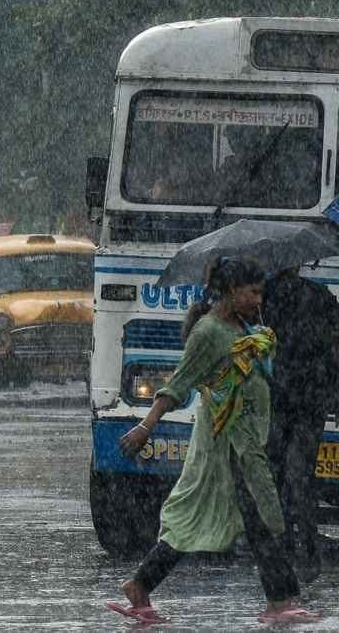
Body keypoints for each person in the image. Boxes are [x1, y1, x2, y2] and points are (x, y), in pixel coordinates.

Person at [107, 257, 320, 625]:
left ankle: (141, 585)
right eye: (253, 292)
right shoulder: (207, 332)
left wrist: (261, 345)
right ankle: (280, 600)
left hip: (247, 439)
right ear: (232, 291)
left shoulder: (244, 327)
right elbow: (178, 384)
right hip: (226, 442)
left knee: (211, 517)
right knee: (256, 514)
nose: (259, 300)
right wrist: (145, 427)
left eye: (260, 293)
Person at [262, 265, 339, 582]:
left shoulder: (267, 295)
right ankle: (299, 550)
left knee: (283, 474)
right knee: (293, 475)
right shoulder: (318, 295)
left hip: (290, 398)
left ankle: (290, 548)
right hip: (301, 398)